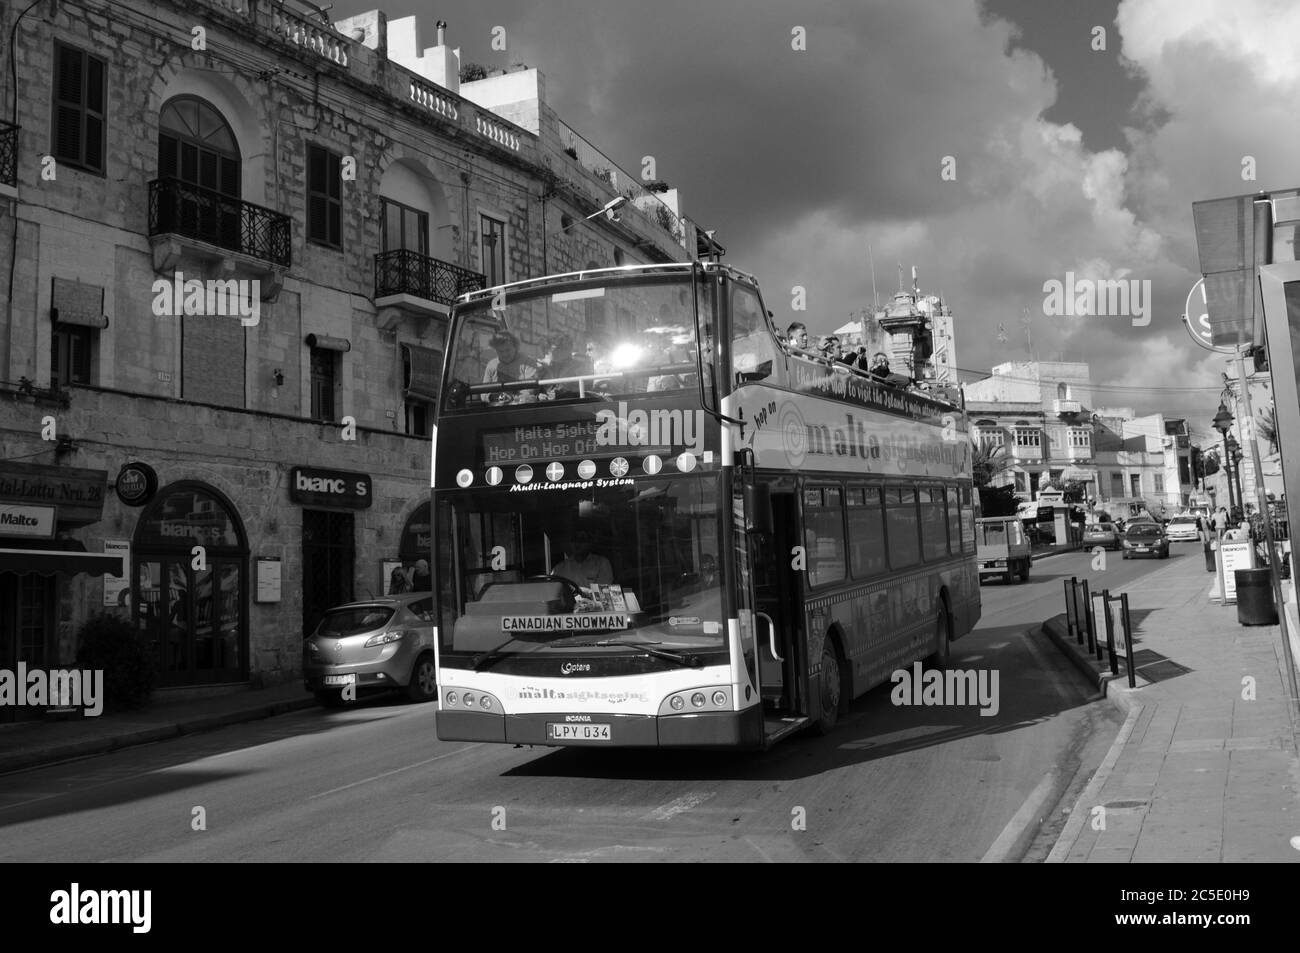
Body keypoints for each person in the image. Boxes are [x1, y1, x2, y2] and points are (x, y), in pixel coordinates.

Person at [482, 330, 538, 403]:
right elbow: (483, 393)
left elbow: (531, 388)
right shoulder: (491, 365)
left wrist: (513, 398)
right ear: (495, 350)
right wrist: (496, 397)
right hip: (497, 409)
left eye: (508, 350)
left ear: (515, 347)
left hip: (521, 407)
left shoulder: (528, 362)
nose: (505, 354)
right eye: (500, 351)